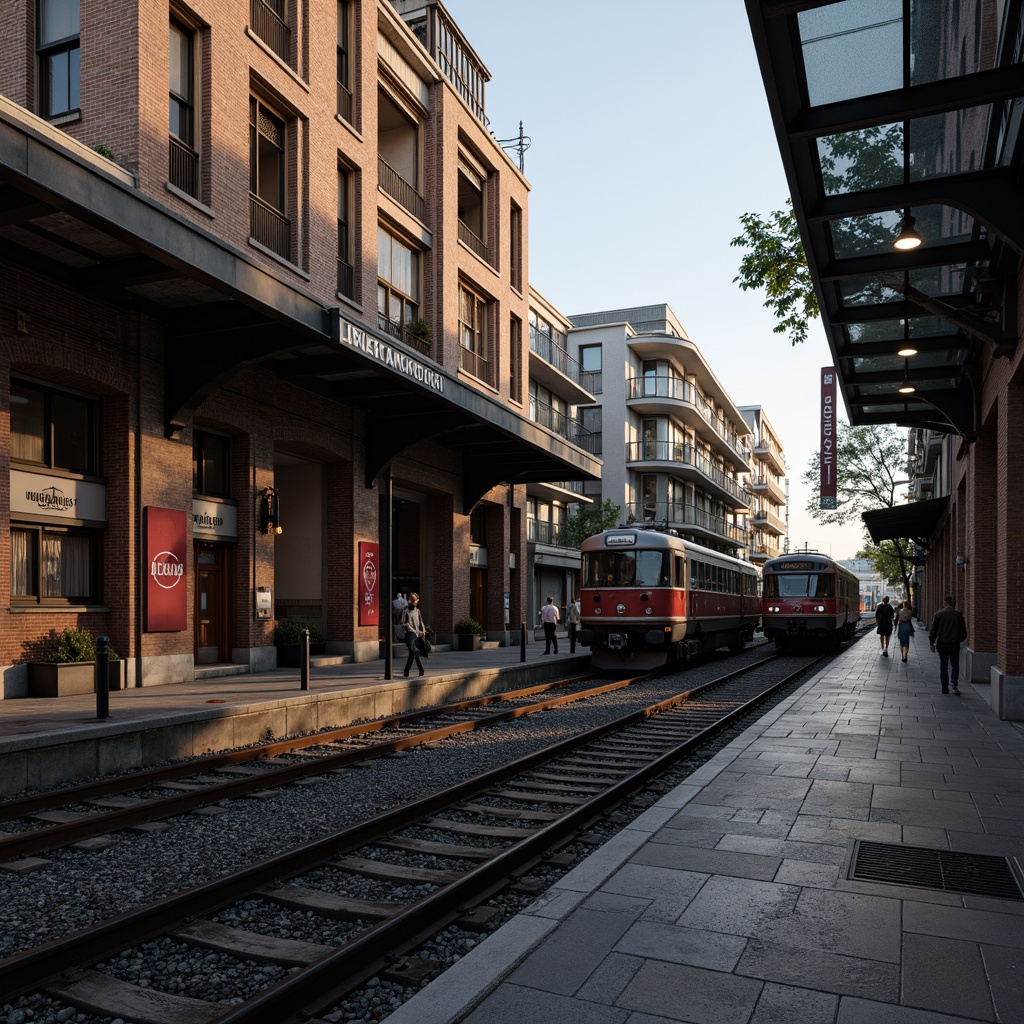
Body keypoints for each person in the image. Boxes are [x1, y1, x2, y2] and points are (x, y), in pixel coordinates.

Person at [928, 596, 968, 695]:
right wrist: (959, 639)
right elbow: (963, 632)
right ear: (952, 603)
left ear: (945, 603)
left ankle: (944, 688)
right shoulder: (958, 615)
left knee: (944, 665)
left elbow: (933, 630)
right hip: (954, 644)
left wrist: (932, 643)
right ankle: (954, 684)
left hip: (942, 644)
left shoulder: (938, 614)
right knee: (955, 665)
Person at [401, 592, 426, 677]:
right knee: (413, 651)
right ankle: (417, 670)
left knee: (413, 653)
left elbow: (421, 621)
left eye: (415, 600)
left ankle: (409, 671)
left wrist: (423, 631)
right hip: (409, 635)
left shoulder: (418, 611)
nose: (414, 602)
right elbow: (405, 623)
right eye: (412, 600)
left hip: (416, 635)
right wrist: (415, 631)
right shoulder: (406, 611)